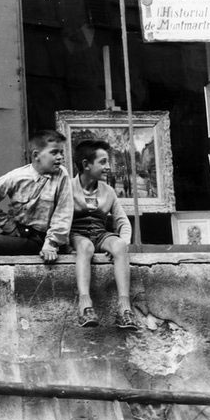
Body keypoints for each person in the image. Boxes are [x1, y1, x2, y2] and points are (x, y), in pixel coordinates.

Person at [70, 139, 137, 330]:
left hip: (100, 234)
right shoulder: (67, 188)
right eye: (103, 162)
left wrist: (123, 242)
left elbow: (122, 221)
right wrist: (55, 243)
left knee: (119, 246)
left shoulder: (108, 191)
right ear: (86, 165)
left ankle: (124, 309)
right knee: (85, 246)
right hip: (76, 234)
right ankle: (85, 306)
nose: (108, 167)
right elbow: (56, 218)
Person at [0, 130, 73, 261]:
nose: (60, 157)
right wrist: (9, 226)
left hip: (45, 238)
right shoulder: (16, 177)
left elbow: (63, 213)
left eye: (61, 153)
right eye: (54, 152)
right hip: (22, 235)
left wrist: (51, 244)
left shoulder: (62, 175)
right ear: (36, 155)